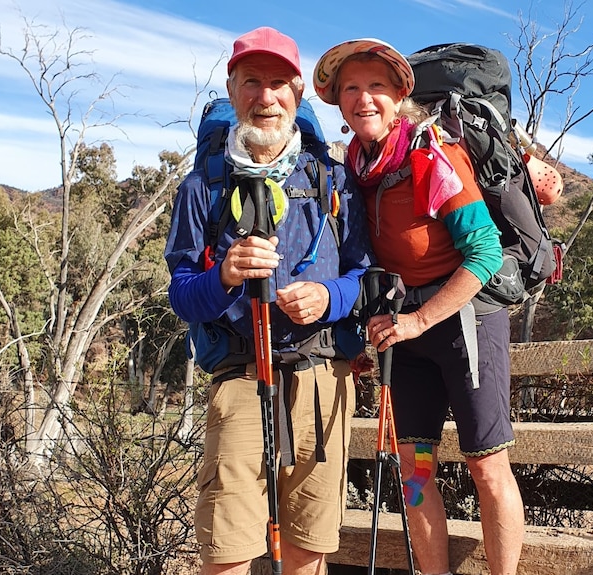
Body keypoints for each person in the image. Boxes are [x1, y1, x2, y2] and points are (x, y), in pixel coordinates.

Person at [165, 27, 373, 575]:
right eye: (252, 82)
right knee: (226, 553)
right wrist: (224, 277)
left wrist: (329, 298)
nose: (265, 97)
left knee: (309, 550)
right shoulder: (201, 186)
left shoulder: (334, 179)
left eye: (278, 83)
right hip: (237, 376)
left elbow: (362, 273)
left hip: (321, 376)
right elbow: (181, 294)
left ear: (298, 94)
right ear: (233, 91)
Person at [313, 38, 525, 575]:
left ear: (399, 94)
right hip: (403, 335)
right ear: (338, 102)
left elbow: (483, 253)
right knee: (415, 468)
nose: (364, 99)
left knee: (486, 466)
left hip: (465, 326)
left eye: (376, 87)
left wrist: (420, 320)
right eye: (352, 89)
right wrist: (373, 332)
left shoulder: (430, 154)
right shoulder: (353, 169)